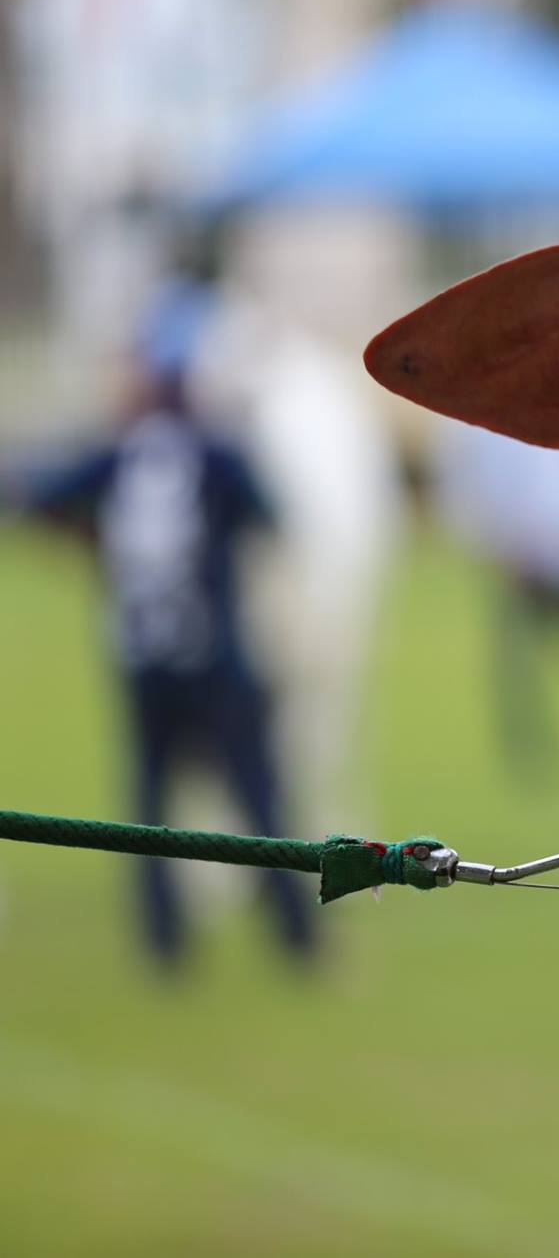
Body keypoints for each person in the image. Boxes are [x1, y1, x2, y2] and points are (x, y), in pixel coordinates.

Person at [4, 278, 313, 970]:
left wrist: (95, 542)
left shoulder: (117, 455)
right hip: (216, 658)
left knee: (149, 813)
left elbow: (38, 499)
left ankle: (165, 945)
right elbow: (272, 518)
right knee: (257, 800)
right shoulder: (217, 455)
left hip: (146, 659)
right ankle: (296, 938)